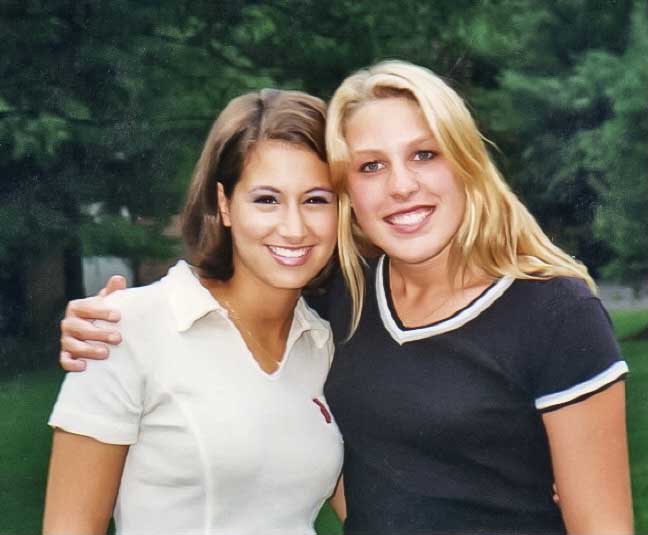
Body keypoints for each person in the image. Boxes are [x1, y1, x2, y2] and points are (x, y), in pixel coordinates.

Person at [58, 61, 633, 535]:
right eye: (371, 166)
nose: (401, 185)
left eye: (425, 154)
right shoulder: (336, 307)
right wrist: (105, 322)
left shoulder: (550, 313)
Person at [44, 88, 345, 535]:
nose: (294, 227)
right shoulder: (122, 328)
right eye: (266, 199)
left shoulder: (325, 345)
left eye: (316, 199)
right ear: (224, 204)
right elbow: (69, 527)